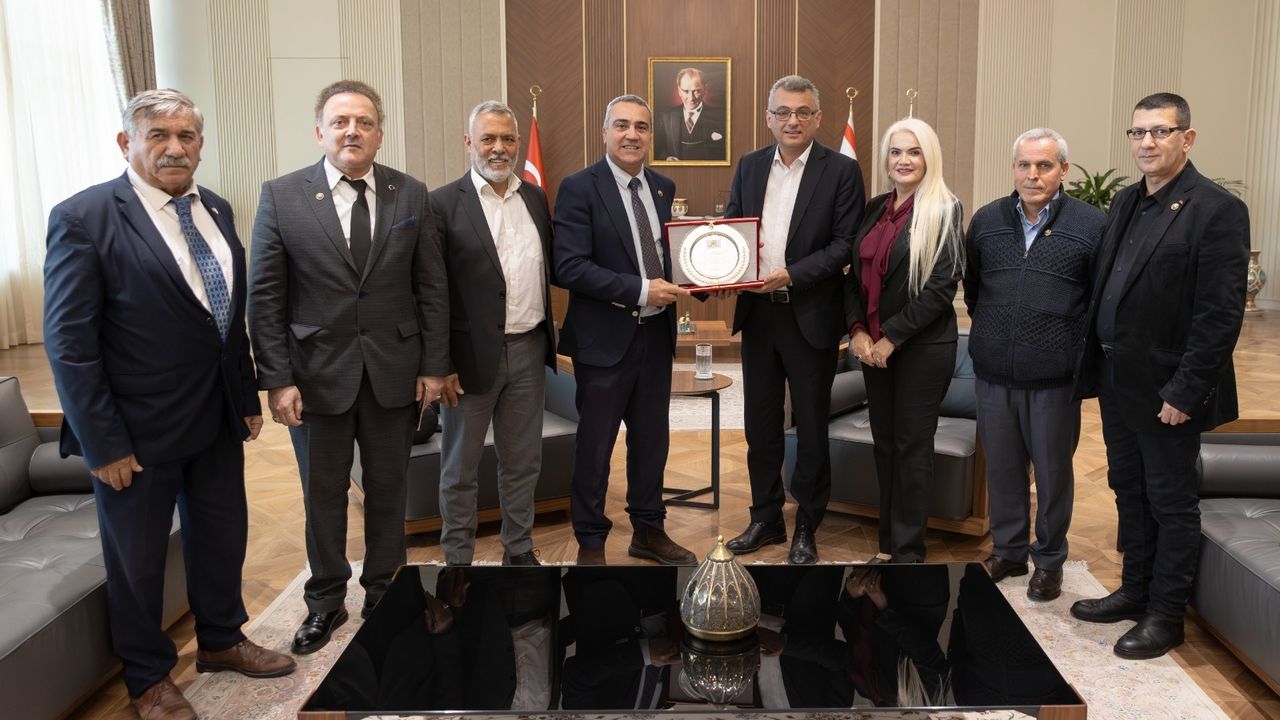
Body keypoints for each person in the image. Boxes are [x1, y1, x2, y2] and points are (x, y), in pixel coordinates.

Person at [43, 89, 295, 720]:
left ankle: (222, 639)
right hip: (134, 432)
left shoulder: (216, 207)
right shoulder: (84, 217)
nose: (174, 147)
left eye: (186, 136)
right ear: (126, 144)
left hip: (214, 416)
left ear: (201, 145)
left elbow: (224, 317)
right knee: (137, 561)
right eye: (157, 135)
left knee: (222, 536)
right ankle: (148, 677)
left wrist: (243, 397)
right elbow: (70, 345)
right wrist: (102, 442)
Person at [248, 80, 449, 654]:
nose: (352, 131)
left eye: (364, 122)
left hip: (394, 372)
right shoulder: (282, 195)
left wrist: (434, 367)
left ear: (380, 134)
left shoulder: (411, 194)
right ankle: (326, 601)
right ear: (320, 132)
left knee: (388, 489)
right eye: (340, 122)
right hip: (314, 378)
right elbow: (265, 296)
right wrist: (277, 379)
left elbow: (431, 287)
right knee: (323, 496)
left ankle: (385, 591)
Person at [1071, 92, 1249, 659]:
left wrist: (1187, 390)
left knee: (1170, 502)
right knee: (1128, 488)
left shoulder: (1216, 209)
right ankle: (1135, 590)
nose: (1147, 142)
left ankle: (1166, 615)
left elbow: (1219, 314)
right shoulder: (1126, 200)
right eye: (1138, 132)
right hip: (1119, 380)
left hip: (1169, 390)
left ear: (1186, 138)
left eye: (1160, 131)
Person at [723, 75, 865, 565]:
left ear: (817, 118)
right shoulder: (750, 165)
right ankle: (765, 517)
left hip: (810, 316)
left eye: (803, 112)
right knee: (759, 425)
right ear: (768, 118)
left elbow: (845, 244)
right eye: (783, 112)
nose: (792, 120)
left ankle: (807, 521)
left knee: (809, 426)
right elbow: (733, 228)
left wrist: (791, 275)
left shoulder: (841, 170)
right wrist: (719, 268)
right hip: (758, 316)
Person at [553, 94, 695, 566]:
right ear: (605, 132)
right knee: (595, 446)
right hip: (604, 341)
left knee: (652, 441)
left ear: (651, 135)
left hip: (655, 336)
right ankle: (591, 540)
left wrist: (704, 275)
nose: (632, 134)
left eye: (641, 127)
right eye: (622, 125)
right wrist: (640, 290)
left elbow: (668, 254)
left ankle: (648, 531)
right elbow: (569, 266)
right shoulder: (579, 187)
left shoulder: (663, 187)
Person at [963, 128, 1105, 601]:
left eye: (1044, 165)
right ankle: (1008, 551)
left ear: (1063, 169)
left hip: (1054, 378)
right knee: (1003, 471)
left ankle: (1049, 561)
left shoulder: (1091, 224)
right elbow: (974, 289)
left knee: (1052, 474)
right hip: (993, 373)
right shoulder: (987, 220)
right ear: (1013, 168)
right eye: (1024, 164)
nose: (1032, 174)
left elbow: (1096, 299)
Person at [430, 100, 557, 566]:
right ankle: (458, 560)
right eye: (488, 138)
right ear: (469, 143)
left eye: (507, 138)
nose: (498, 148)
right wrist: (440, 364)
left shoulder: (535, 198)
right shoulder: (443, 204)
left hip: (529, 350)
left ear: (518, 143)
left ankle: (518, 551)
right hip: (467, 361)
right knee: (459, 468)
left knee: (523, 462)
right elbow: (432, 292)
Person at [843, 117, 964, 564]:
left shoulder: (945, 208)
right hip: (873, 349)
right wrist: (858, 330)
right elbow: (853, 278)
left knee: (912, 447)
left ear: (928, 157)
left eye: (914, 152)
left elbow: (940, 287)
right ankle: (887, 544)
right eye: (896, 152)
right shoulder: (876, 207)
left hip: (921, 351)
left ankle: (909, 550)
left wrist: (891, 337)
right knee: (885, 443)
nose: (904, 160)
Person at [654, 67, 727, 162]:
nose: (691, 98)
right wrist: (666, 158)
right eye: (686, 91)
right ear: (679, 91)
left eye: (696, 91)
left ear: (705, 89)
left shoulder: (721, 117)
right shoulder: (666, 117)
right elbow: (655, 149)